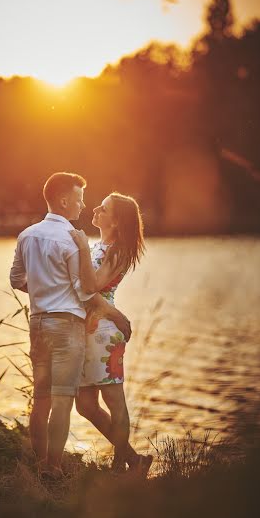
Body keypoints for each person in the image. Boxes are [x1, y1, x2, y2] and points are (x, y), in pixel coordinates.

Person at [9, 173, 132, 478]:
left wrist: (43, 292)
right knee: (72, 403)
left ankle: (114, 462)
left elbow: (18, 280)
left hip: (68, 326)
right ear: (64, 200)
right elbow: (84, 289)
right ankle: (53, 467)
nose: (88, 207)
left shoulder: (29, 235)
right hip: (72, 327)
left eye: (100, 208)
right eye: (81, 200)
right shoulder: (78, 242)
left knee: (51, 399)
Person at [70, 192, 153, 474]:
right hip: (86, 331)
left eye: (103, 208)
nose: (95, 209)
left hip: (103, 334)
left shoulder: (116, 250)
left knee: (114, 400)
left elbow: (91, 285)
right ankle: (134, 459)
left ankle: (121, 465)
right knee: (84, 405)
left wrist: (80, 248)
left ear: (116, 223)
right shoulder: (98, 246)